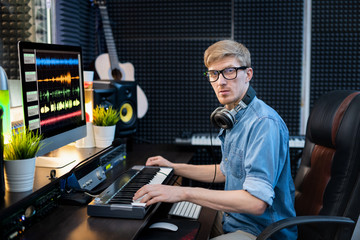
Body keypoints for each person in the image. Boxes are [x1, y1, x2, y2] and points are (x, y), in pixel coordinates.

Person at [133, 40, 297, 239]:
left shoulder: (263, 124)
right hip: (233, 220)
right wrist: (173, 167)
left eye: (229, 71)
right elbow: (224, 171)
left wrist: (183, 193)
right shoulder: (234, 118)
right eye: (213, 74)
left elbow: (256, 202)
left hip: (260, 232)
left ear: (248, 74)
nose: (220, 81)